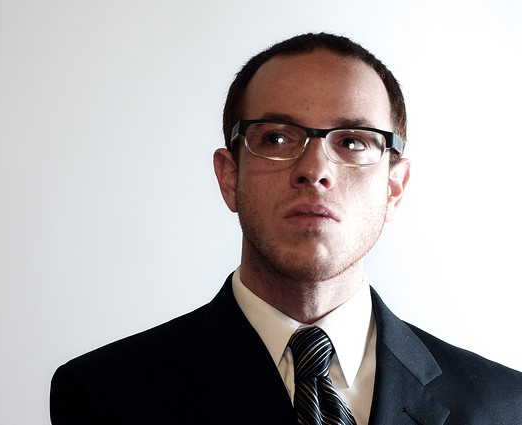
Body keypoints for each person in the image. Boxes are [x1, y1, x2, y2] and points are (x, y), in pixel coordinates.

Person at [50, 32, 522, 425]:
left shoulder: (506, 405)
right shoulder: (104, 395)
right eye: (277, 137)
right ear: (229, 177)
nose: (314, 170)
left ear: (393, 188)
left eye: (353, 141)